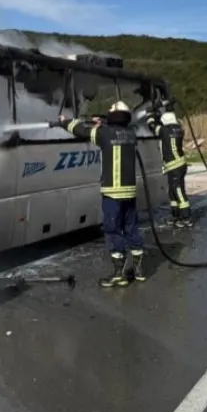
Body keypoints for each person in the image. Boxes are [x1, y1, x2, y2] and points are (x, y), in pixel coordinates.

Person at [55, 101, 145, 286]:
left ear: (113, 116)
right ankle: (138, 271)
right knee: (131, 228)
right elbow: (117, 128)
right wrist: (103, 122)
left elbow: (81, 130)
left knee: (113, 230)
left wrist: (64, 121)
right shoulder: (131, 133)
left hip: (112, 192)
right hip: (130, 192)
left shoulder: (104, 133)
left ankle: (119, 275)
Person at [145, 102, 192, 228]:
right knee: (172, 191)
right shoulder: (178, 129)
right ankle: (176, 216)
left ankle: (186, 217)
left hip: (175, 166)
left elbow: (152, 126)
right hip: (178, 165)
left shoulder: (164, 130)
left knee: (178, 191)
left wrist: (150, 114)